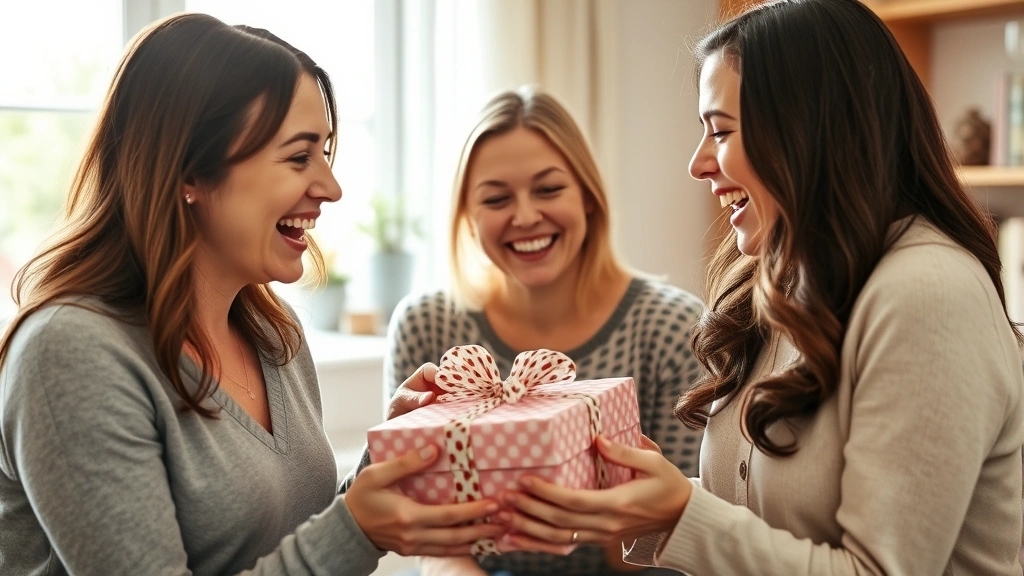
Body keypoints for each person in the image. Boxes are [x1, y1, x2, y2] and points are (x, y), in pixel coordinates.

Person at [490, 0, 1024, 574]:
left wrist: (680, 512)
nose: (697, 165)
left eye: (719, 131)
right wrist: (647, 502)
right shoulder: (781, 281)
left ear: (807, 130)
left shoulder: (928, 295)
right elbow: (763, 518)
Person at [0, 13, 504, 576]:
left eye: (325, 153)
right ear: (189, 171)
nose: (331, 188)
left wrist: (382, 469)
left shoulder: (273, 334)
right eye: (297, 156)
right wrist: (357, 530)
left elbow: (281, 540)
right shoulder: (70, 353)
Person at [384, 86, 705, 576]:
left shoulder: (672, 328)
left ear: (589, 198)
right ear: (468, 218)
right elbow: (430, 535)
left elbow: (670, 549)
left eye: (549, 189)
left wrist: (620, 509)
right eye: (496, 198)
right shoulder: (427, 325)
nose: (526, 216)